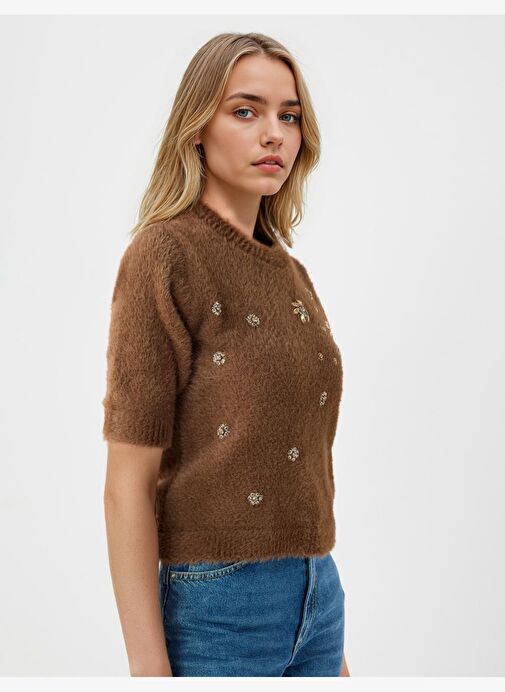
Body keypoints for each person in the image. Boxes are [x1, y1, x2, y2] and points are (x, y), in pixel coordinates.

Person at [102, 31, 350, 678]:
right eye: (245, 111)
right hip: (219, 608)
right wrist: (149, 672)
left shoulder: (290, 273)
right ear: (196, 129)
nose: (274, 134)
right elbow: (127, 483)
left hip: (319, 595)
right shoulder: (164, 257)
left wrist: (330, 641)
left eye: (288, 116)